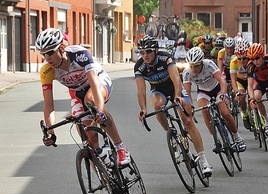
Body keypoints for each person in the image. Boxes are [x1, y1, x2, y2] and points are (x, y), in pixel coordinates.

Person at [35, 28, 131, 166]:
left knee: (91, 101)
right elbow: (49, 106)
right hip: (77, 93)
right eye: (43, 54)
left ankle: (121, 148)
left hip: (98, 83)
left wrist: (99, 111)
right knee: (88, 135)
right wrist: (51, 132)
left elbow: (94, 83)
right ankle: (105, 175)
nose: (47, 58)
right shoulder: (46, 70)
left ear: (61, 48)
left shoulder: (80, 54)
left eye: (50, 52)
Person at [134, 35, 212, 176]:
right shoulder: (139, 67)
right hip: (158, 91)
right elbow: (140, 90)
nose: (145, 55)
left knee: (188, 121)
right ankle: (172, 136)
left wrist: (177, 95)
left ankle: (204, 161)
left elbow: (176, 78)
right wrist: (143, 109)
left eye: (148, 51)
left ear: (156, 50)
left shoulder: (165, 58)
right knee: (157, 106)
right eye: (142, 52)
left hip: (175, 88)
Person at [183, 47, 247, 153]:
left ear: (201, 63)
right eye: (191, 66)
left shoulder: (208, 64)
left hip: (217, 89)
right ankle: (215, 139)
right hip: (203, 92)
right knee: (204, 110)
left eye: (197, 65)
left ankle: (237, 137)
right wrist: (191, 107)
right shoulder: (187, 72)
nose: (194, 69)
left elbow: (222, 80)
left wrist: (224, 94)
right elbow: (187, 93)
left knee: (225, 113)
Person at [230, 39, 251, 130]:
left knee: (255, 98)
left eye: (244, 58)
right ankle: (245, 114)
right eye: (239, 58)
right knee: (242, 97)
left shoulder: (252, 60)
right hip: (240, 81)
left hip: (251, 79)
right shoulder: (234, 62)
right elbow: (233, 79)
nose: (242, 61)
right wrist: (236, 92)